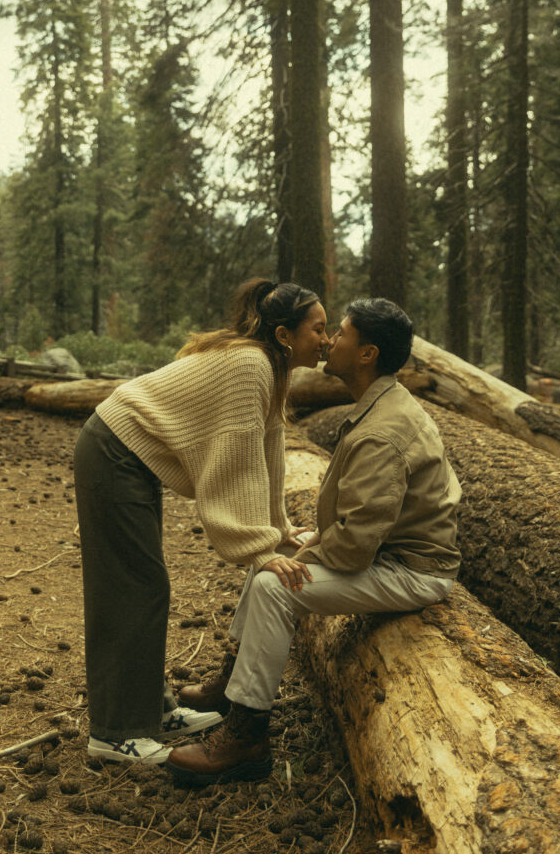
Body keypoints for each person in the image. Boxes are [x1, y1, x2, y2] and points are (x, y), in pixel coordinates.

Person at [168, 297, 462, 785]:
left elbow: (353, 549)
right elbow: (364, 524)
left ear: (366, 354)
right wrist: (297, 544)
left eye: (340, 332)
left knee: (273, 584)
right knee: (273, 555)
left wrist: (305, 553)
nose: (328, 340)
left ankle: (246, 736)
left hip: (413, 571)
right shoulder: (379, 405)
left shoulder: (384, 431)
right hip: (389, 552)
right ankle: (232, 680)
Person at [73, 279, 329, 763]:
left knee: (144, 585)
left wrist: (277, 529)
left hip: (129, 454)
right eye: (318, 329)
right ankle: (114, 734)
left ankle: (150, 708)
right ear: (285, 336)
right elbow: (236, 460)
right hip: (112, 451)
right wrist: (260, 550)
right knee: (131, 588)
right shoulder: (251, 365)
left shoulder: (271, 369)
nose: (328, 338)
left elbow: (266, 451)